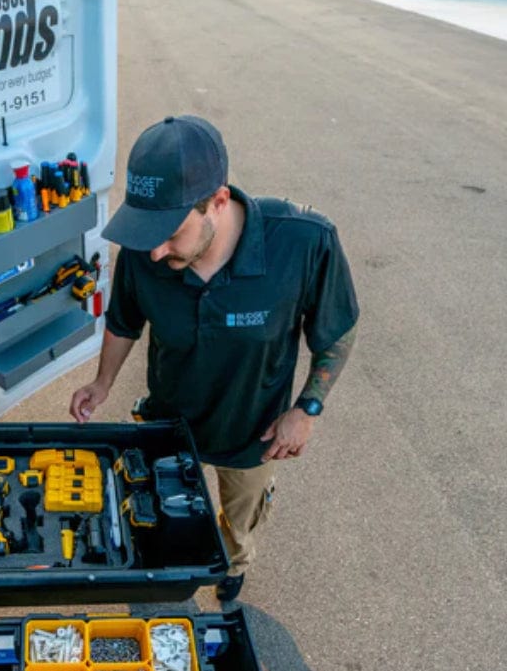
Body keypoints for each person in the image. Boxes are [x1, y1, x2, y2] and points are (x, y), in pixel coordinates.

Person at [69, 115, 359, 602]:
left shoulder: (304, 243)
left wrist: (306, 408)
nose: (156, 252)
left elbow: (338, 332)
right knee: (165, 514)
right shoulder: (145, 252)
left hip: (252, 438)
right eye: (146, 233)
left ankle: (232, 565)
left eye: (169, 233)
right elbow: (124, 320)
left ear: (218, 202)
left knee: (237, 523)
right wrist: (102, 383)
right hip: (170, 422)